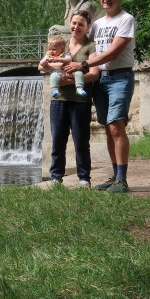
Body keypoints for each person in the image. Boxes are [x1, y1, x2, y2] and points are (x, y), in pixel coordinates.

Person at [65, 0, 136, 193]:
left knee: (116, 126)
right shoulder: (96, 25)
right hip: (100, 80)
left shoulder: (126, 19)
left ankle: (122, 179)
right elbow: (81, 44)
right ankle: (115, 176)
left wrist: (83, 64)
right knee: (107, 127)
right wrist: (56, 56)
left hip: (120, 77)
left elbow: (113, 53)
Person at [39, 10, 99, 188]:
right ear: (69, 24)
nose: (76, 27)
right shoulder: (59, 46)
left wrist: (69, 81)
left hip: (80, 102)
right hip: (59, 101)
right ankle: (56, 177)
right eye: (74, 23)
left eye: (81, 24)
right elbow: (43, 67)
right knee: (58, 140)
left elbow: (94, 74)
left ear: (87, 26)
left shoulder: (90, 47)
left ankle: (84, 178)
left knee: (81, 141)